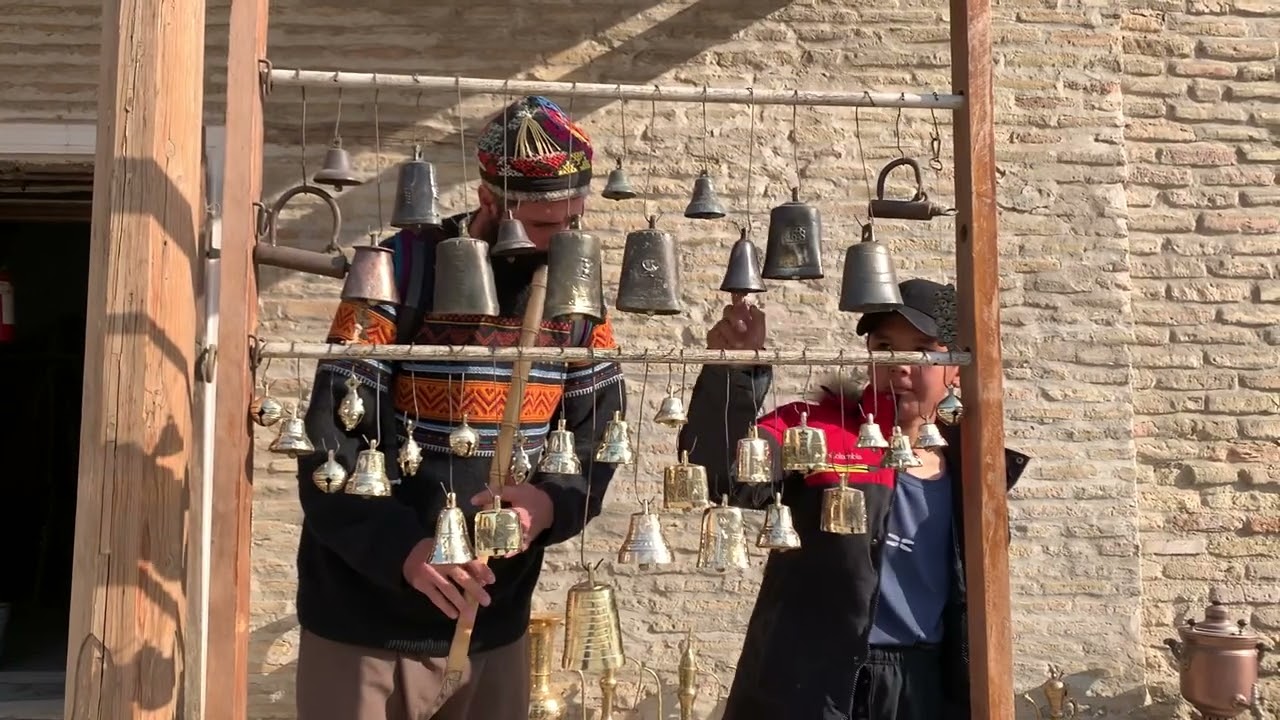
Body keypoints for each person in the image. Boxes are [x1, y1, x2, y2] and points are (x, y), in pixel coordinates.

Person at [292, 95, 626, 720]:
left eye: (575, 220)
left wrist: (549, 502)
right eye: (549, 226)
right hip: (367, 632)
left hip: (495, 630)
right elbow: (328, 446)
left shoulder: (578, 293)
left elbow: (598, 436)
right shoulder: (397, 270)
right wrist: (408, 554)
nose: (567, 240)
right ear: (491, 200)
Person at [679, 279, 1031, 720]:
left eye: (921, 349)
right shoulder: (811, 432)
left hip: (922, 684)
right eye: (884, 346)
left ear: (955, 365)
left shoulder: (975, 470)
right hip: (811, 680)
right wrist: (732, 372)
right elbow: (722, 475)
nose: (899, 365)